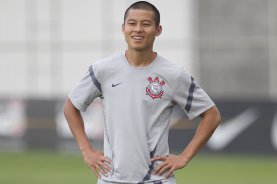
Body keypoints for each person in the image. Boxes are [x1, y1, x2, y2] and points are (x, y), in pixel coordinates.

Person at [64, 1, 221, 184]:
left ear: (158, 30)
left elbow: (212, 116)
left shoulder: (174, 75)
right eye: (132, 23)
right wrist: (87, 151)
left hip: (156, 180)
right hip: (111, 179)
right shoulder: (102, 70)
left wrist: (184, 157)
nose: (138, 29)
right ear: (123, 28)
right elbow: (70, 107)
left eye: (146, 24)